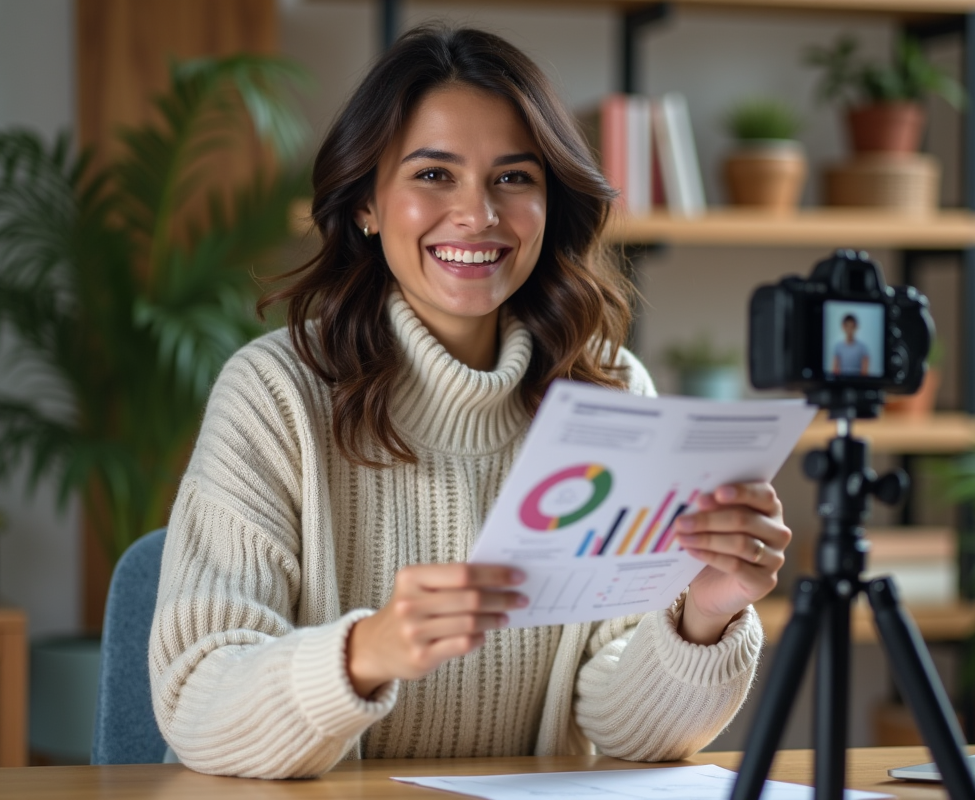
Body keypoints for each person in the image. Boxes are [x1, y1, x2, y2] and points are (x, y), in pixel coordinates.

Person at [149, 25, 791, 779]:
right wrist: (368, 652)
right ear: (366, 203)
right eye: (433, 174)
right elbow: (198, 700)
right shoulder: (276, 393)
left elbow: (626, 727)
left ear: (550, 203)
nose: (478, 213)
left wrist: (705, 613)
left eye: (513, 178)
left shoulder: (610, 393)